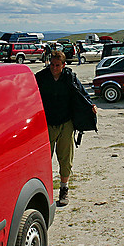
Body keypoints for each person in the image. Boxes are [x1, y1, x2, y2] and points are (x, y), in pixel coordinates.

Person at [35, 50, 97, 206]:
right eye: (52, 65)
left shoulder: (69, 78)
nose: (54, 68)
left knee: (65, 159)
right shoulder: (41, 78)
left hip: (66, 123)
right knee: (43, 160)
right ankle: (44, 192)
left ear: (63, 65)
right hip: (47, 124)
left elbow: (82, 94)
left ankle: (64, 190)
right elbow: (30, 96)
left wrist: (90, 106)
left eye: (57, 65)